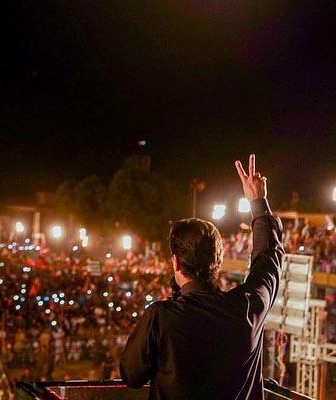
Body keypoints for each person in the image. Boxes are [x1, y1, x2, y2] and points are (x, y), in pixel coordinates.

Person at [120, 154, 283, 400]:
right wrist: (258, 202)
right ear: (218, 260)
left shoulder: (161, 318)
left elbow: (131, 375)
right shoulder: (246, 308)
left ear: (175, 260)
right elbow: (269, 258)